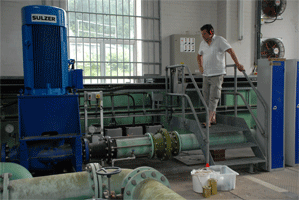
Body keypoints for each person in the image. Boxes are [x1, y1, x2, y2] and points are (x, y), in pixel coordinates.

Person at [197, 24, 245, 127]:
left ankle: (208, 121)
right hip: (206, 74)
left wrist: (238, 64)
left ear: (211, 32)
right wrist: (200, 67)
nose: (203, 36)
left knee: (214, 97)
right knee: (206, 97)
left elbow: (230, 51)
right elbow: (199, 55)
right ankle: (213, 118)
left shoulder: (219, 40)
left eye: (204, 33)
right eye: (202, 34)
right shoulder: (202, 44)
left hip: (217, 74)